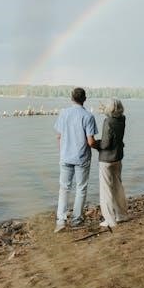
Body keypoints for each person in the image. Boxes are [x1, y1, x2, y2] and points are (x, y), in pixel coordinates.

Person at [54, 87, 98, 232]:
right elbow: (91, 142)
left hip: (65, 157)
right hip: (81, 158)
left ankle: (61, 221)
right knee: (81, 188)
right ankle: (76, 220)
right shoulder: (88, 116)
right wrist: (101, 147)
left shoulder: (63, 113)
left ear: (72, 98)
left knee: (64, 188)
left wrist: (62, 152)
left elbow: (59, 136)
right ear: (84, 99)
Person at [96, 98, 128, 228]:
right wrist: (106, 110)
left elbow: (105, 144)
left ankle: (110, 220)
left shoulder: (107, 121)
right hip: (118, 157)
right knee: (118, 187)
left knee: (106, 190)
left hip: (106, 159)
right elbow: (114, 117)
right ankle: (122, 215)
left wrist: (95, 144)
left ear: (110, 109)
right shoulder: (123, 119)